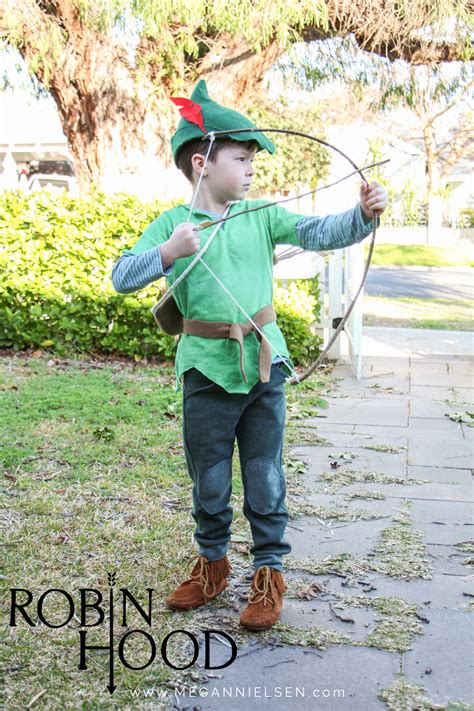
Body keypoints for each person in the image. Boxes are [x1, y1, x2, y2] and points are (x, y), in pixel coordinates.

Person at [111, 80, 387, 631]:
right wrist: (169, 252)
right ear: (201, 163)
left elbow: (320, 230)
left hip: (264, 367)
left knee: (264, 476)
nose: (251, 169)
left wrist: (361, 214)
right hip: (205, 372)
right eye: (240, 158)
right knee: (209, 478)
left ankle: (268, 574)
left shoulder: (261, 215)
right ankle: (212, 564)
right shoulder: (173, 225)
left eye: (252, 160)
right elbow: (122, 276)